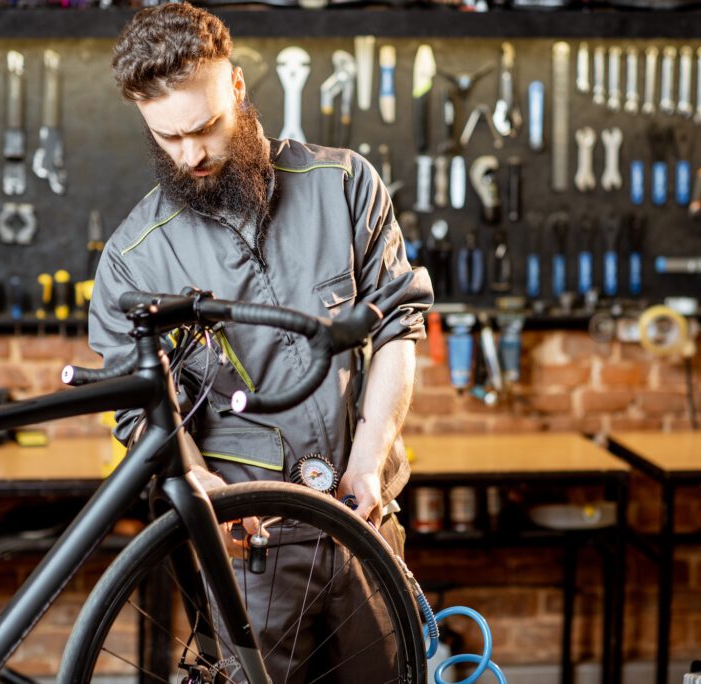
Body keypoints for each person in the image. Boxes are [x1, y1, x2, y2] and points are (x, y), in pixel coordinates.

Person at [89, 4, 434, 681]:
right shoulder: (134, 260)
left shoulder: (344, 186)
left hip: (363, 523)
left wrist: (369, 460)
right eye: (168, 137)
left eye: (205, 128)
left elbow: (399, 326)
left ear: (238, 89)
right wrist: (204, 489)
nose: (189, 155)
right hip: (249, 552)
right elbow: (138, 411)